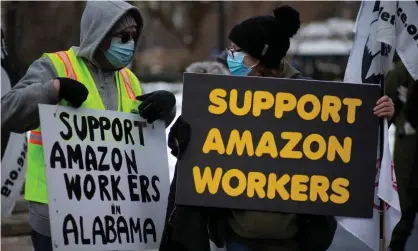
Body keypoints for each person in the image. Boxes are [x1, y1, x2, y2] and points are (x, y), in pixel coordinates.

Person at [160, 5, 396, 251]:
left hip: (296, 239)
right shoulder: (221, 98)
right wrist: (180, 138)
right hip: (237, 238)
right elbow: (198, 152)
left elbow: (349, 142)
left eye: (237, 50)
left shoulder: (313, 100)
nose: (229, 55)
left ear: (260, 56)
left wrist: (378, 114)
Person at [1, 1, 176, 251]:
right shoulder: (54, 66)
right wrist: (54, 90)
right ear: (99, 34)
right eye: (121, 37)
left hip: (116, 224)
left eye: (133, 37)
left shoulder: (130, 80)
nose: (128, 45)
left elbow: (145, 134)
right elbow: (7, 111)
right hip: (58, 221)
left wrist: (166, 109)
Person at [385, 60, 417, 251]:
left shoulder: (404, 67)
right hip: (409, 142)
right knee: (405, 203)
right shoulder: (405, 67)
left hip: (409, 143)